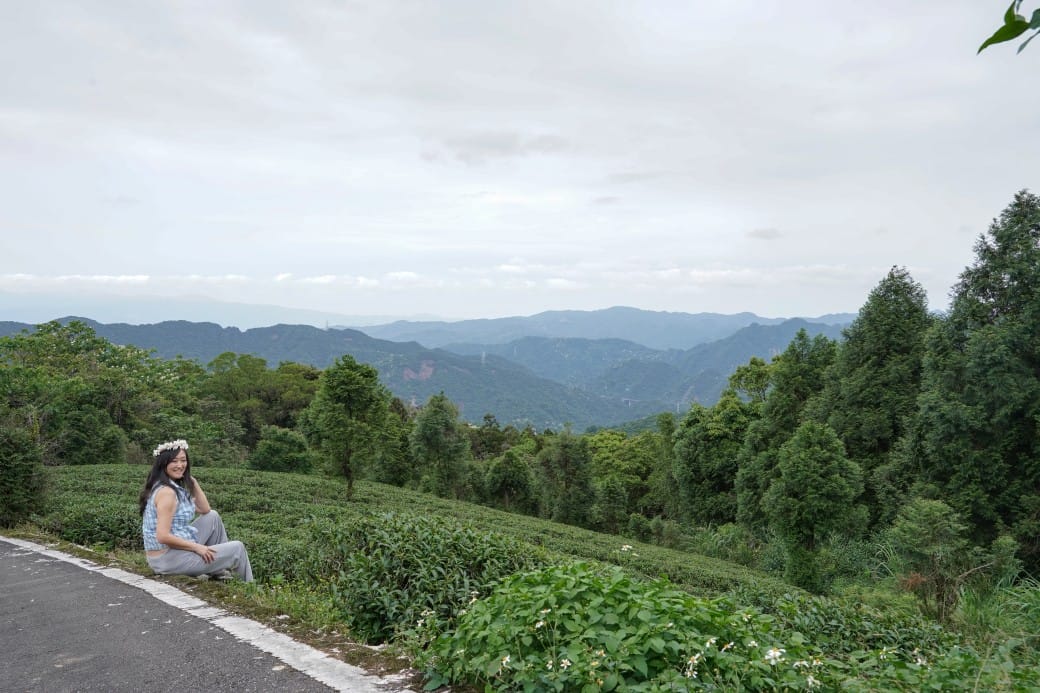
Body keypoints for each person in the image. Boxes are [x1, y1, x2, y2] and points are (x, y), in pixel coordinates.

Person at [139, 439, 253, 582]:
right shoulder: (167, 493)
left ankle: (217, 571)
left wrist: (192, 481)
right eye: (174, 461)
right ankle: (248, 587)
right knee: (238, 548)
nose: (180, 465)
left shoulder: (166, 485)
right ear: (163, 464)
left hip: (170, 554)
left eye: (183, 460)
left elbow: (205, 509)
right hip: (167, 559)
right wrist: (197, 547)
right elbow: (162, 536)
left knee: (213, 517)